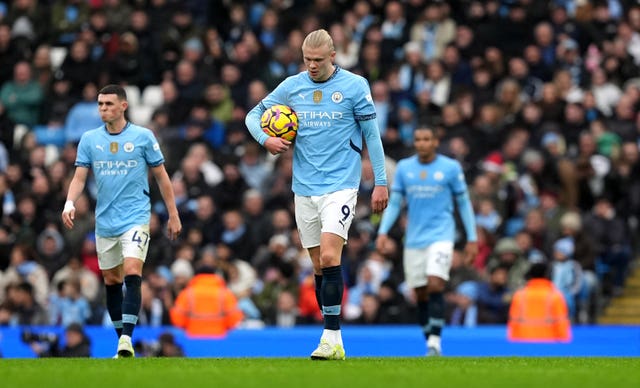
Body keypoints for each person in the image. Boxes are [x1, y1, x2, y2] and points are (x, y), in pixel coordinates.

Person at [245, 29, 389, 360]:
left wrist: (380, 182)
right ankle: (332, 338)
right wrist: (264, 139)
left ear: (333, 56)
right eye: (307, 59)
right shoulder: (293, 86)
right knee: (318, 266)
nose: (311, 66)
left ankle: (331, 336)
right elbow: (254, 116)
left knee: (329, 256)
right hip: (304, 188)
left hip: (341, 185)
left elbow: (373, 136)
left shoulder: (354, 87)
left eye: (318, 60)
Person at [61, 84, 182, 358]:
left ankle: (127, 337)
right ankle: (122, 342)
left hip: (136, 218)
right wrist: (69, 203)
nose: (103, 108)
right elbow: (80, 177)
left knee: (131, 271)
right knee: (112, 281)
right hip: (105, 222)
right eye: (100, 104)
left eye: (108, 104)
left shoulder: (142, 137)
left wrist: (173, 214)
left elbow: (162, 177)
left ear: (123, 106)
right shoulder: (90, 139)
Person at [376, 126, 478, 356]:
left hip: (441, 235)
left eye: (426, 139)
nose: (422, 143)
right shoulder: (404, 168)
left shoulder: (450, 168)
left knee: (435, 283)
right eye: (418, 139)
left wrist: (472, 238)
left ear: (435, 142)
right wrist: (383, 232)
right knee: (420, 292)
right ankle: (429, 337)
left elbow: (463, 203)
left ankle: (435, 341)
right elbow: (395, 203)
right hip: (414, 239)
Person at [507, 262, 572, 342]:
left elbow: (513, 325)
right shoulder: (555, 296)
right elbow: (561, 324)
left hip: (524, 346)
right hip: (549, 347)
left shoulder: (519, 296)